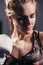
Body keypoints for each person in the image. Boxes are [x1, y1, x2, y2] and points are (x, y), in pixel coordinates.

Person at [5, 0, 43, 65]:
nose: (29, 23)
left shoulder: (41, 39)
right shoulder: (4, 43)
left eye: (32, 16)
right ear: (10, 18)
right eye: (22, 18)